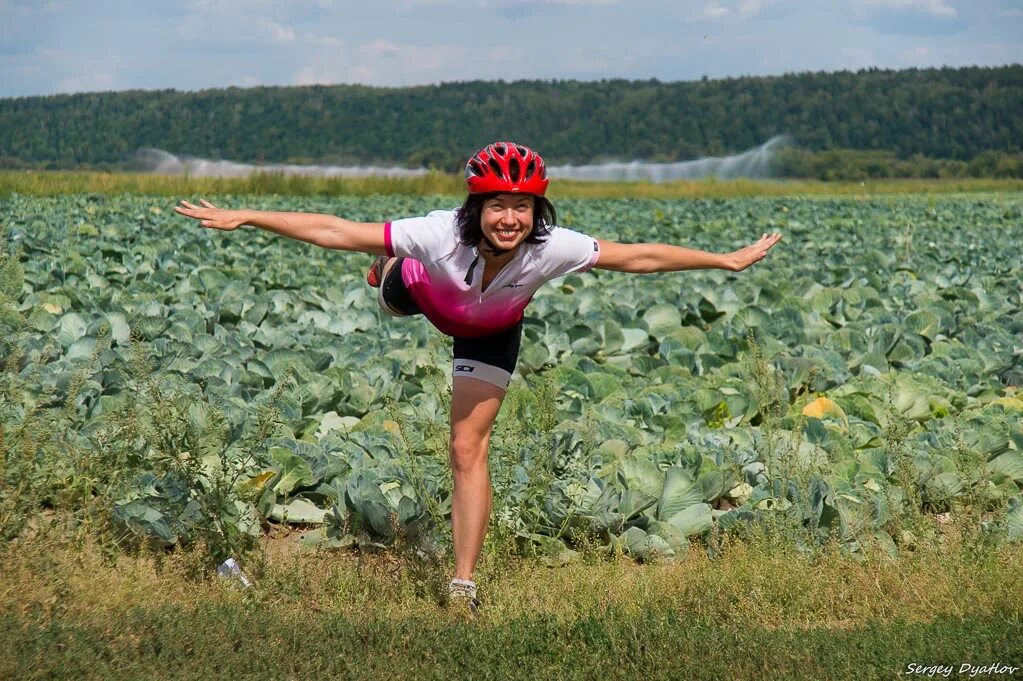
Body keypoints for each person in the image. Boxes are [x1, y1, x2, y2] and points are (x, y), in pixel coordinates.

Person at [175, 141, 782, 616]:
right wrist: (248, 216)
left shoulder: (553, 246)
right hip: (420, 292)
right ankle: (389, 271)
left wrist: (724, 260)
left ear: (537, 211)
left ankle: (462, 583)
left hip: (491, 327)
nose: (511, 218)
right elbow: (336, 230)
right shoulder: (441, 232)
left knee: (467, 448)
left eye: (522, 207)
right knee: (389, 285)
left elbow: (639, 256)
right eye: (498, 205)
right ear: (477, 208)